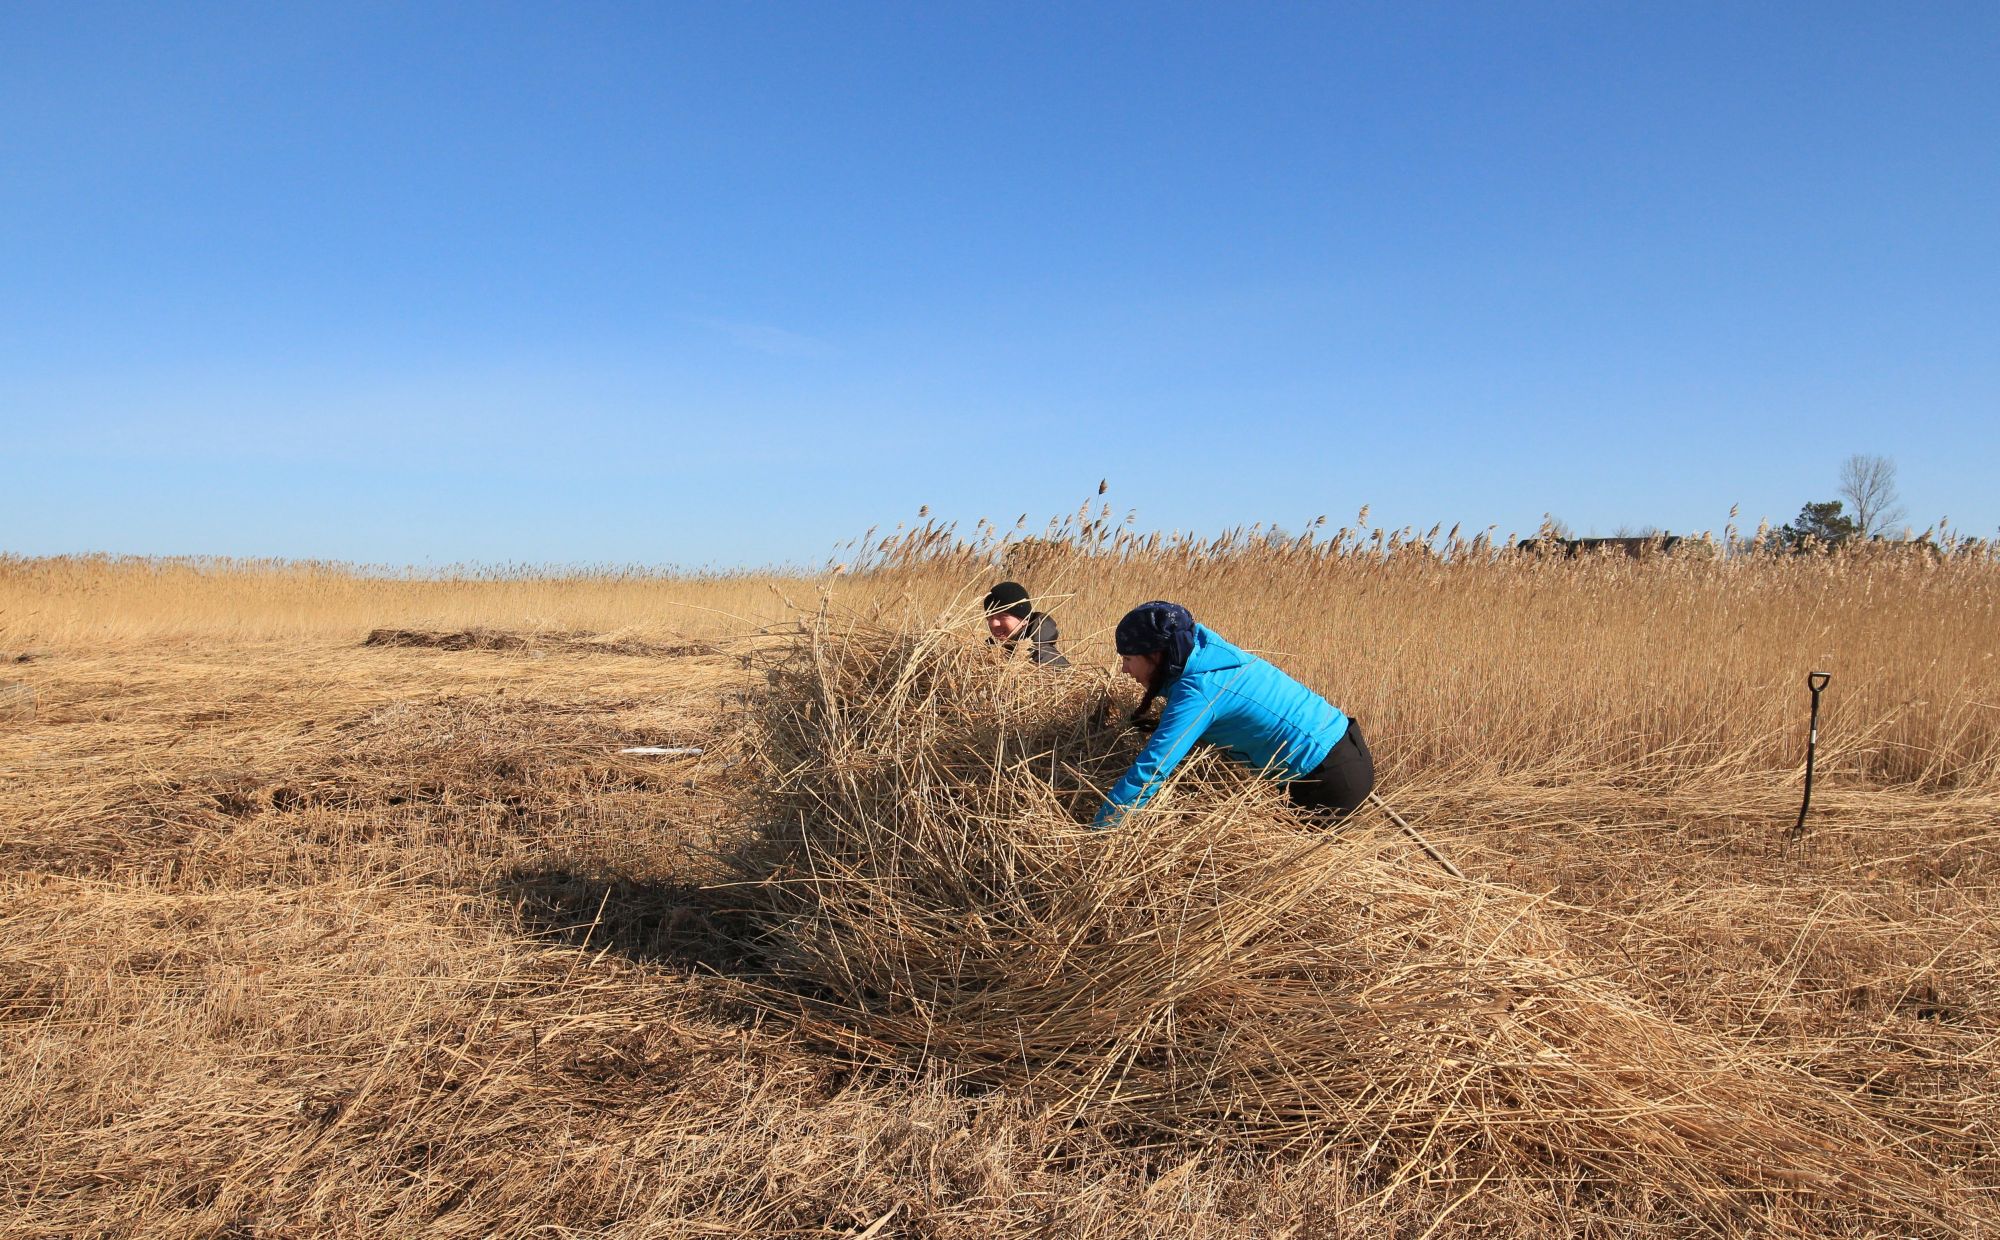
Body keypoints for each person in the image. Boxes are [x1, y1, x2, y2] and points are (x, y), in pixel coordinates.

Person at [1094, 600, 1371, 828]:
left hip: (1328, 780)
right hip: (1345, 747)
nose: (1124, 670)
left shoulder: (1199, 691)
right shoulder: (1206, 652)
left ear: (1156, 654)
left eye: (1128, 659)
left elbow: (1150, 770)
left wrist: (1099, 831)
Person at [982, 581, 1069, 668]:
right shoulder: (987, 655)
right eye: (989, 617)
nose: (993, 623)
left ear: (1024, 619)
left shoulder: (1045, 659)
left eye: (1002, 616)